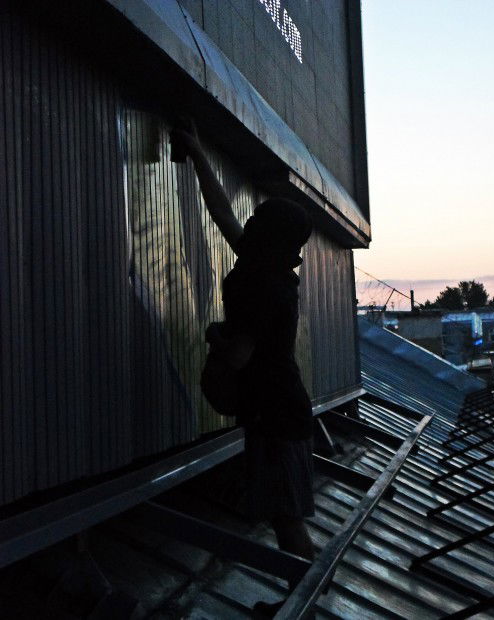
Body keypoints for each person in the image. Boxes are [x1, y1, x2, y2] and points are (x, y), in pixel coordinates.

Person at [171, 124, 315, 615]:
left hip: (275, 416)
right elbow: (222, 215)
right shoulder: (268, 269)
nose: (247, 222)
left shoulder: (262, 284)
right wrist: (197, 152)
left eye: (257, 220)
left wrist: (214, 334)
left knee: (286, 517)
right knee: (286, 515)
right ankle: (300, 599)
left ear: (266, 236)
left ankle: (299, 606)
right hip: (281, 412)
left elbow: (238, 356)